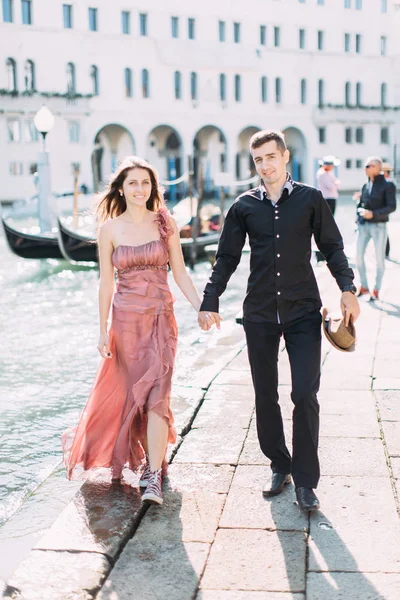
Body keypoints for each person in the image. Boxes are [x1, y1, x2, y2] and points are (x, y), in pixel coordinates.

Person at [198, 130, 360, 512]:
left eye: (272, 157)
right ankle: (279, 464)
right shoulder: (243, 206)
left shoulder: (310, 199)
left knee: (304, 393)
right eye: (258, 159)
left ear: (285, 157)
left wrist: (347, 287)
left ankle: (306, 481)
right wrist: (210, 300)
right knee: (264, 395)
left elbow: (332, 246)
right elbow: (227, 258)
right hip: (259, 315)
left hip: (303, 310)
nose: (266, 165)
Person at [62, 156, 202, 505]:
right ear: (121, 189)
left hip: (160, 319)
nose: (140, 189)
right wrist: (101, 329)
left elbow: (180, 272)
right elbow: (105, 285)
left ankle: (152, 476)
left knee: (158, 394)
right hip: (125, 324)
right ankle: (146, 461)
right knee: (132, 396)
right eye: (133, 183)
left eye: (145, 183)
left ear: (154, 187)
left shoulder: (164, 222)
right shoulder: (109, 229)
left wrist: (202, 307)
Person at [355, 156, 396, 300]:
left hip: (379, 226)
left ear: (378, 168)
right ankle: (364, 286)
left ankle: (376, 289)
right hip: (363, 226)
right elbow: (361, 205)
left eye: (369, 165)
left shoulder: (388, 185)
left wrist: (373, 214)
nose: (366, 168)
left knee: (380, 259)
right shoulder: (365, 186)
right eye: (365, 166)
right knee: (358, 257)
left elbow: (392, 206)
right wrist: (360, 214)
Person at [315, 156, 341, 262]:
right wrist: (335, 183)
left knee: (329, 223)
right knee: (325, 224)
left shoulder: (328, 173)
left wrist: (335, 183)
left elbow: (336, 184)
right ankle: (322, 253)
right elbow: (332, 185)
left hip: (331, 198)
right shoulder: (322, 174)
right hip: (327, 199)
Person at [382, 162, 395, 258]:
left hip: (382, 212)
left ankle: (385, 252)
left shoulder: (388, 184)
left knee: (383, 232)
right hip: (379, 212)